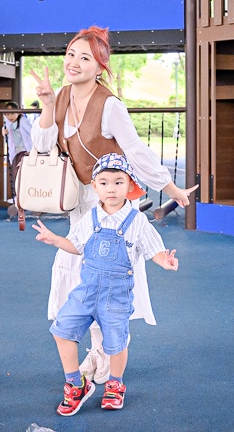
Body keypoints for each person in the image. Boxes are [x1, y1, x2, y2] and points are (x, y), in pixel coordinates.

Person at [29, 25, 196, 385]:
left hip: (111, 204)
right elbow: (43, 144)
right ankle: (98, 349)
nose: (74, 62)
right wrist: (45, 103)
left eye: (84, 57)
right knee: (79, 275)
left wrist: (170, 187)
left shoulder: (110, 105)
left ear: (99, 66)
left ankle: (107, 351)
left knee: (108, 278)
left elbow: (135, 151)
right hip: (79, 203)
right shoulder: (60, 97)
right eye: (71, 54)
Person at [33, 153, 179, 416]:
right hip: (86, 290)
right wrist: (55, 239)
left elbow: (152, 249)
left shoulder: (137, 221)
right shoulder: (89, 218)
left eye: (118, 182)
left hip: (116, 295)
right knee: (62, 330)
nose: (110, 188)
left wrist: (164, 261)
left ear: (130, 185)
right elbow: (75, 246)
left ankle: (115, 384)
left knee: (116, 343)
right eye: (103, 182)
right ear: (95, 186)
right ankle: (75, 383)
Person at [2, 101, 34, 220]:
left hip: (25, 152)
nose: (10, 116)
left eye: (13, 113)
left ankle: (27, 200)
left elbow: (32, 133)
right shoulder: (7, 124)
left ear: (18, 112)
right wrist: (3, 133)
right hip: (15, 153)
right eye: (8, 114)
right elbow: (7, 135)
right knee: (16, 176)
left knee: (24, 175)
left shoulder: (23, 121)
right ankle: (20, 200)